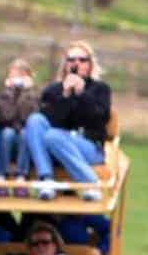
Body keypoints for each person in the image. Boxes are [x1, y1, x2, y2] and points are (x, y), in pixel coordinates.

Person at [24, 41, 111, 201]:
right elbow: (53, 121)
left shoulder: (100, 89)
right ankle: (46, 179)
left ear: (90, 64)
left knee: (53, 136)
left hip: (88, 146)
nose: (76, 63)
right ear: (65, 64)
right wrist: (65, 95)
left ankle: (90, 184)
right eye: (71, 59)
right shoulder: (53, 91)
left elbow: (99, 119)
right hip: (56, 144)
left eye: (82, 60)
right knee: (35, 121)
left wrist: (81, 94)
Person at [0, 58, 39, 195]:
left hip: (25, 146)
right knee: (7, 133)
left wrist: (25, 93)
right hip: (8, 143)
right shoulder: (4, 95)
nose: (17, 81)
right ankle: (2, 176)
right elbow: (6, 117)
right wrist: (11, 94)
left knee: (25, 134)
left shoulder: (34, 95)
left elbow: (28, 117)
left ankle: (21, 178)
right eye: (13, 76)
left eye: (20, 76)